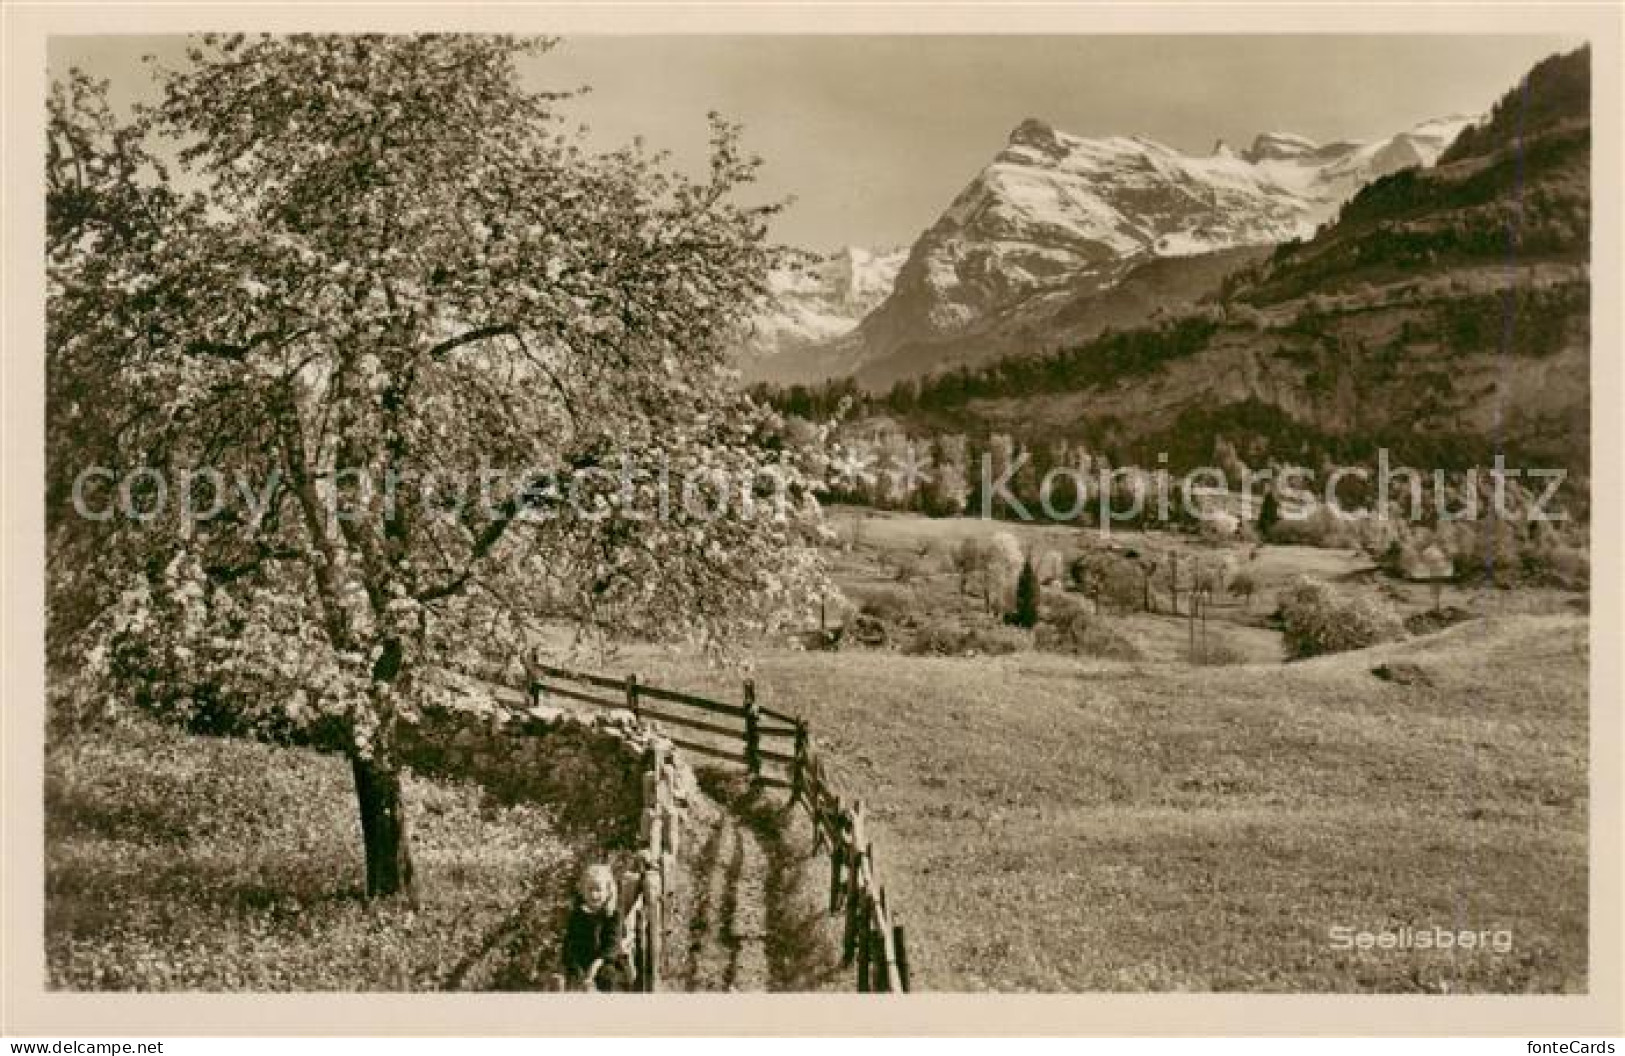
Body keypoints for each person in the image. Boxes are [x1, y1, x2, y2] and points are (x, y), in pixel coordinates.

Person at [561, 863, 629, 992]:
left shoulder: (613, 914)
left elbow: (612, 945)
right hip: (581, 960)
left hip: (605, 960)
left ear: (608, 891)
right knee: (570, 979)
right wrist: (578, 969)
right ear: (583, 890)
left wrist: (595, 967)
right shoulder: (577, 914)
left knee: (608, 975)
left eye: (598, 890)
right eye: (590, 889)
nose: (594, 894)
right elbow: (570, 944)